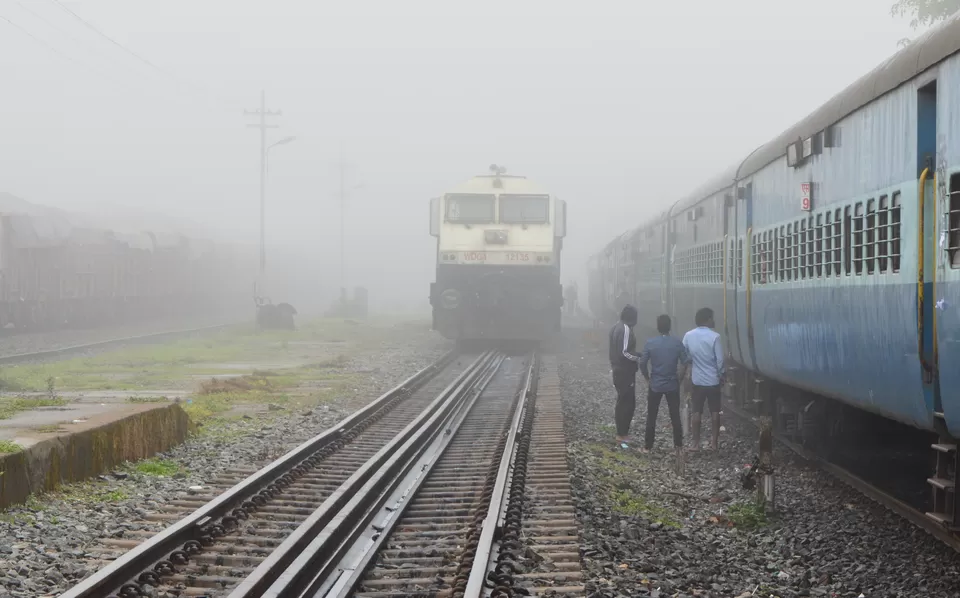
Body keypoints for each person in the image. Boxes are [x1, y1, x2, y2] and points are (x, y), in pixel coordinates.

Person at [638, 314, 690, 455]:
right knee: (675, 416)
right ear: (669, 327)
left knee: (652, 416)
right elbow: (685, 362)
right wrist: (679, 377)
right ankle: (678, 446)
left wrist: (647, 378)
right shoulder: (677, 343)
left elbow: (642, 363)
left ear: (657, 327)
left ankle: (648, 446)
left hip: (655, 384)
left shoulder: (650, 343)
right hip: (672, 384)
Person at [682, 307, 725, 451]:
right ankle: (714, 443)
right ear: (706, 320)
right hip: (713, 381)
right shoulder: (715, 337)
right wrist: (721, 375)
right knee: (714, 411)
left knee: (696, 411)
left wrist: (690, 365)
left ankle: (695, 443)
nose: (713, 320)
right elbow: (720, 361)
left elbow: (685, 356)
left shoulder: (688, 336)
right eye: (711, 317)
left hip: (697, 380)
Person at [608, 304, 642, 448]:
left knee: (622, 401)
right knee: (627, 402)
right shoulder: (626, 329)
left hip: (617, 369)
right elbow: (625, 352)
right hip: (625, 371)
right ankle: (622, 435)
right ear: (632, 317)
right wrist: (639, 357)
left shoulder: (615, 327)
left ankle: (620, 433)